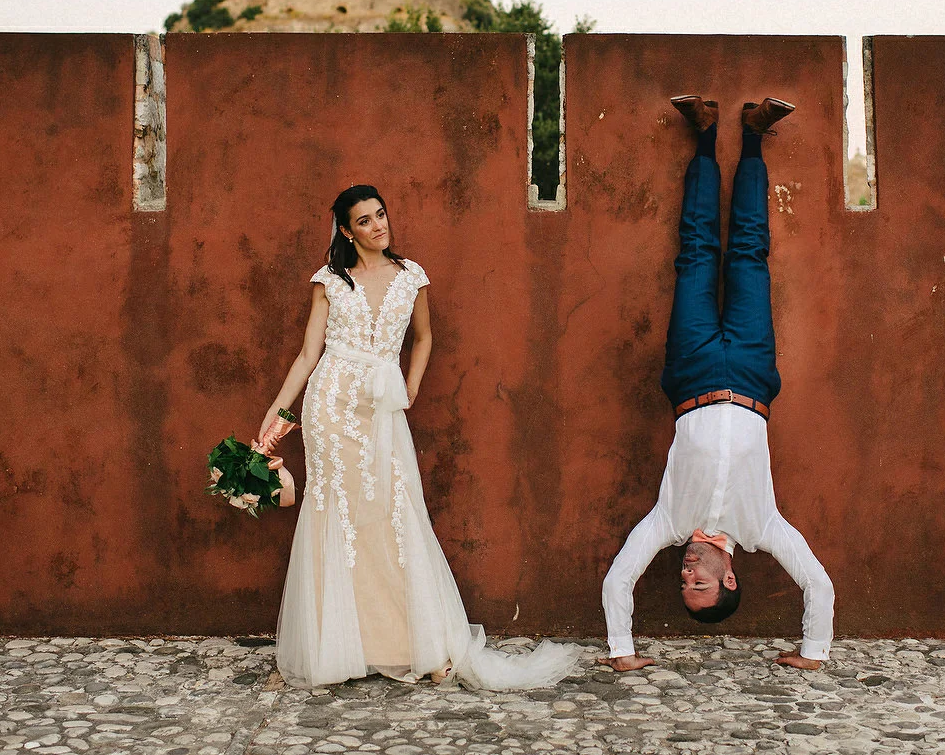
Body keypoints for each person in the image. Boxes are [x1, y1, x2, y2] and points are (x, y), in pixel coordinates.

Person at [256, 184, 578, 689]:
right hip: (331, 406)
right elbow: (307, 355)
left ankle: (415, 644)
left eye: (381, 215)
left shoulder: (412, 278)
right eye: (364, 220)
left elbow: (424, 338)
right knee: (338, 518)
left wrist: (411, 384)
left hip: (381, 408)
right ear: (347, 231)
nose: (378, 225)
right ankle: (336, 648)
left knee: (393, 515)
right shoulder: (328, 282)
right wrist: (277, 413)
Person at [598, 97, 835, 673]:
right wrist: (813, 652)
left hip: (694, 372)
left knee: (698, 254)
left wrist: (622, 652)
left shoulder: (667, 522)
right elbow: (819, 585)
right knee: (751, 256)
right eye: (700, 586)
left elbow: (619, 578)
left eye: (684, 587)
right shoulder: (765, 527)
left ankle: (704, 135)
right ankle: (753, 138)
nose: (687, 576)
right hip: (753, 374)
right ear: (729, 576)